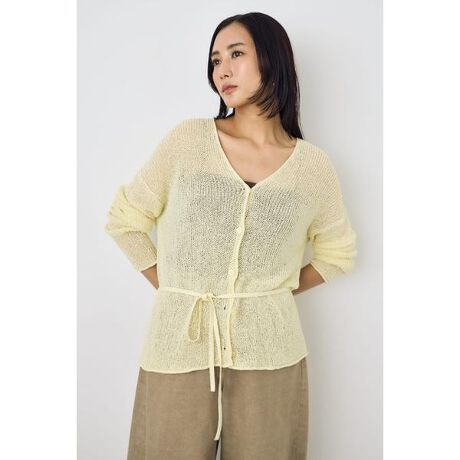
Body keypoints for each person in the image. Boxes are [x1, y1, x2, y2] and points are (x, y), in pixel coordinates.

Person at [105, 11, 357, 460]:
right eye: (215, 60)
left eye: (236, 54)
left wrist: (269, 293)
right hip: (179, 349)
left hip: (271, 356)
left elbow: (337, 254)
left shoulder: (313, 168)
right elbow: (126, 221)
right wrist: (176, 288)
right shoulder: (188, 142)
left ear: (273, 59)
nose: (222, 70)